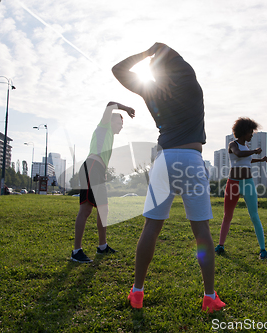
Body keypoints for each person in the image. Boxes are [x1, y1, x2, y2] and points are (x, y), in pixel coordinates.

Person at [112, 42, 225, 312]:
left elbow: (118, 69)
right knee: (201, 232)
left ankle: (137, 292)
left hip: (164, 160)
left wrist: (145, 55)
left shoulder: (151, 90)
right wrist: (160, 49)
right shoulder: (191, 86)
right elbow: (176, 59)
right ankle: (209, 297)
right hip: (191, 159)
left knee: (151, 226)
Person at [70, 101, 135, 263]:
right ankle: (76, 251)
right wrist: (125, 109)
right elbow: (110, 104)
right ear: (111, 121)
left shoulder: (109, 136)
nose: (121, 126)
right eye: (120, 122)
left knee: (103, 210)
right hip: (91, 167)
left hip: (97, 170)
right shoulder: (104, 125)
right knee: (85, 210)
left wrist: (103, 172)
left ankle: (102, 246)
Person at [215, 117, 267, 259]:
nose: (252, 134)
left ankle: (262, 249)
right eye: (250, 132)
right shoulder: (233, 144)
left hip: (248, 183)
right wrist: (254, 151)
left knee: (254, 215)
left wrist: (260, 160)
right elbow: (238, 154)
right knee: (227, 215)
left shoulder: (246, 147)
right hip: (233, 183)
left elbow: (247, 159)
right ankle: (220, 245)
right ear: (243, 131)